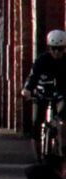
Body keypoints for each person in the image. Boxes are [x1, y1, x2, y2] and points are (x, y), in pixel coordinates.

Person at [22, 29, 66, 162]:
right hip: (42, 94)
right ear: (49, 48)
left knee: (63, 116)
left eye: (60, 49)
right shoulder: (42, 60)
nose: (56, 52)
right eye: (53, 49)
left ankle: (62, 146)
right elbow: (33, 77)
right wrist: (27, 90)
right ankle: (37, 155)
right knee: (36, 122)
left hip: (60, 95)